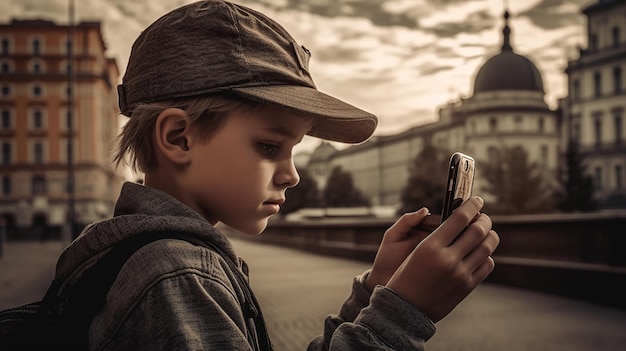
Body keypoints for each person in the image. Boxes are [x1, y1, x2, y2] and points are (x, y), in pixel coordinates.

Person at [52, 1, 500, 349]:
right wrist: (403, 312)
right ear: (179, 138)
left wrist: (374, 292)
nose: (292, 176)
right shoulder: (179, 276)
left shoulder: (146, 255)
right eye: (269, 146)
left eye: (293, 150)